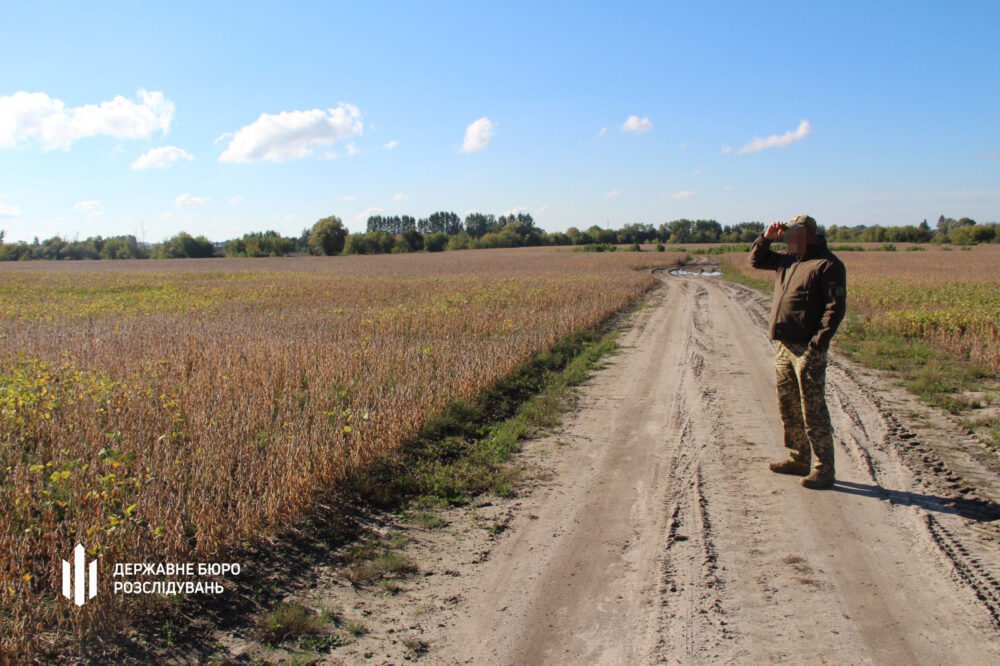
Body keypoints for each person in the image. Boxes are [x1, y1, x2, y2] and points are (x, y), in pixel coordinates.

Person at [748, 215, 846, 489]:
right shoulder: (787, 260)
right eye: (787, 234)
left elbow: (834, 309)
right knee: (788, 407)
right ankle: (798, 458)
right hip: (785, 346)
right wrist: (767, 238)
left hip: (807, 349)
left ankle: (824, 469)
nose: (789, 239)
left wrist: (817, 344)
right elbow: (756, 260)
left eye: (794, 234)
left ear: (809, 234)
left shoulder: (828, 264)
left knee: (812, 410)